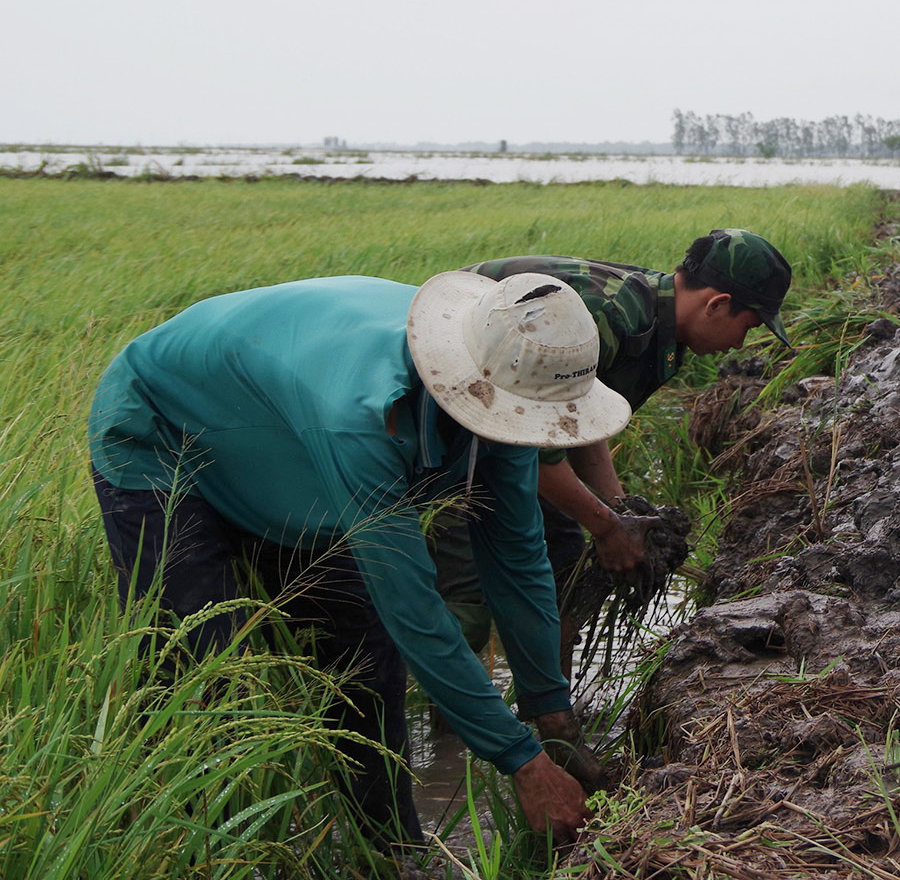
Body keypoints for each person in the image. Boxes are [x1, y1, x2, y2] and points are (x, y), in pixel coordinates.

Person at [89, 271, 627, 854]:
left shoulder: (507, 409)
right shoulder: (365, 417)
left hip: (282, 442)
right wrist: (523, 763)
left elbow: (517, 561)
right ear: (470, 386)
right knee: (205, 673)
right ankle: (185, 852)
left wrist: (553, 716)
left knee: (363, 662)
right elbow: (414, 608)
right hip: (162, 431)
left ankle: (390, 853)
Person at [434, 230, 794, 673]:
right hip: (453, 402)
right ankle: (460, 732)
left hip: (510, 418)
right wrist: (607, 527)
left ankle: (552, 719)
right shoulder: (608, 318)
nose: (740, 345)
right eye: (749, 327)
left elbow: (575, 422)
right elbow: (526, 446)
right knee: (464, 597)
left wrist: (620, 511)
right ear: (717, 304)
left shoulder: (667, 333)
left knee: (562, 565)